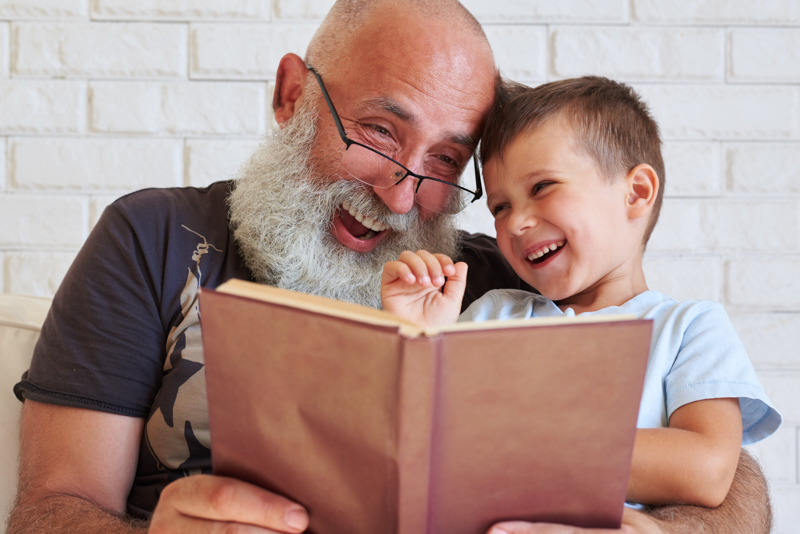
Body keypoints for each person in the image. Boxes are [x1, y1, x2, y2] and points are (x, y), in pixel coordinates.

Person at [7, 1, 772, 533]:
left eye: (446, 159)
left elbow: (728, 476)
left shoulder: (509, 282)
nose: (404, 195)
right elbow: (48, 509)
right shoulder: (156, 236)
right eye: (377, 131)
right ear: (291, 96)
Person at [381, 76, 781, 528]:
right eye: (500, 207)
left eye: (542, 187)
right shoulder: (493, 312)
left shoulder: (690, 329)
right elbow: (422, 437)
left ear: (636, 193)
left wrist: (523, 446)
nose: (515, 224)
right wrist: (420, 333)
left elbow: (705, 469)